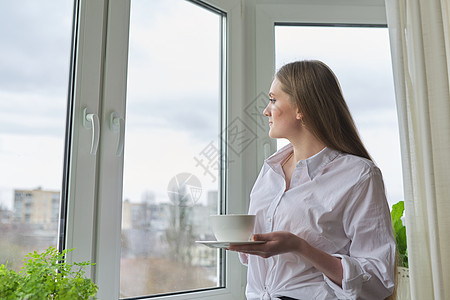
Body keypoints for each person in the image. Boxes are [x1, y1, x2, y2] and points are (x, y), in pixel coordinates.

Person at [229, 60, 396, 300]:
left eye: (274, 100)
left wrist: (300, 247)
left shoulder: (359, 176)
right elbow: (259, 263)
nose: (266, 110)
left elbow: (379, 279)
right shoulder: (270, 170)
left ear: (301, 108)